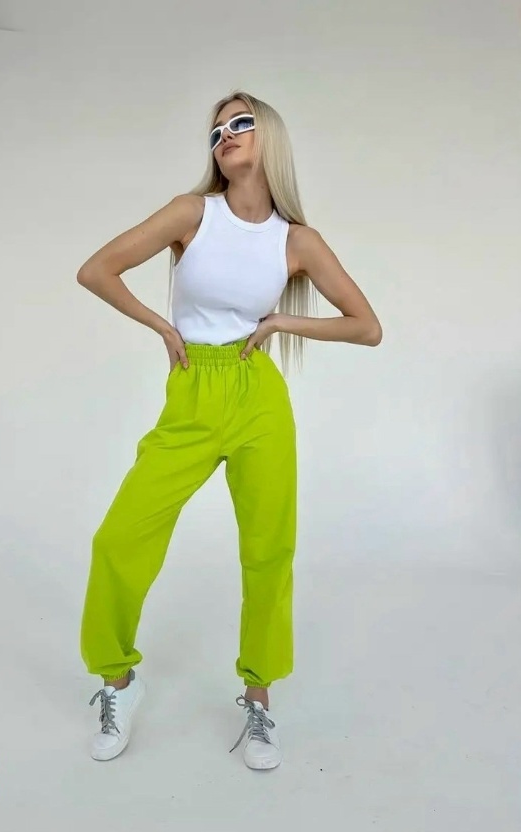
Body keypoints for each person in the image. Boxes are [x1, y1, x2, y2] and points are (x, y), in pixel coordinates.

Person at [76, 90, 382, 770]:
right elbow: (96, 270)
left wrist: (280, 323)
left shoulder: (297, 241)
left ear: (269, 136)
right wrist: (162, 327)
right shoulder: (192, 213)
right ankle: (118, 682)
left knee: (268, 549)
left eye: (241, 123)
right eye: (217, 129)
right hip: (193, 390)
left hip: (257, 396)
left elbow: (367, 327)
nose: (226, 135)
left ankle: (259, 697)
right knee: (120, 538)